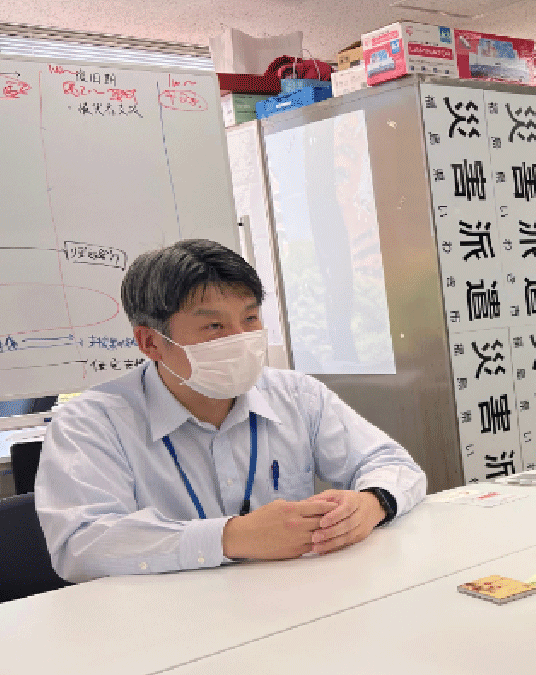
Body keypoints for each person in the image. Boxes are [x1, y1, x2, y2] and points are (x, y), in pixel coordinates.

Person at [36, 239, 426, 583]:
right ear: (151, 342)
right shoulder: (91, 422)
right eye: (214, 327)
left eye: (250, 319)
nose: (241, 340)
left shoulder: (295, 394)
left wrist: (373, 503)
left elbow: (393, 463)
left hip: (294, 603)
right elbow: (81, 544)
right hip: (170, 628)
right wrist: (232, 537)